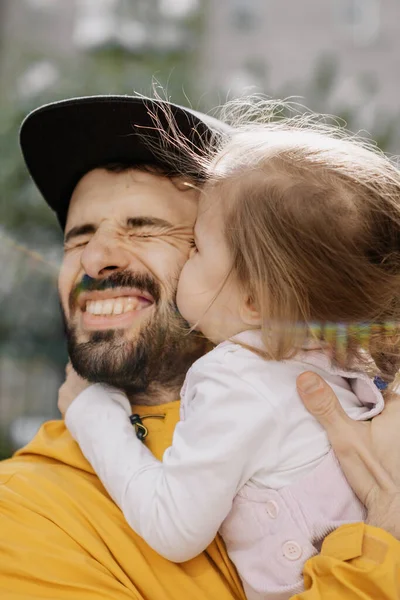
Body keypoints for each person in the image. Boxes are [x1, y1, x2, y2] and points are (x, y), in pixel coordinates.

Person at [0, 95, 399, 600]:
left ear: (260, 283)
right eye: (77, 240)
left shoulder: (358, 388)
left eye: (145, 228)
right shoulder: (28, 509)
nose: (97, 257)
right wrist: (384, 546)